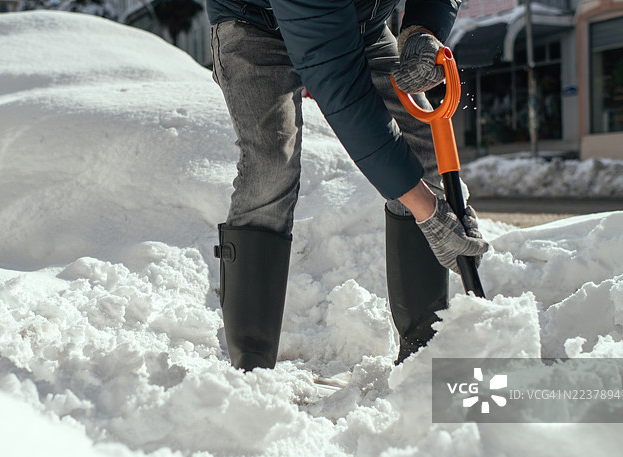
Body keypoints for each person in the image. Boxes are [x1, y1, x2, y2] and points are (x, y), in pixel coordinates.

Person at [208, 0, 488, 371]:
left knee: (424, 148)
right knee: (272, 162)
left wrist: (422, 29)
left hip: (361, 27)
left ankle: (422, 359)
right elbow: (344, 94)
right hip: (253, 25)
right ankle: (251, 367)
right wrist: (428, 211)